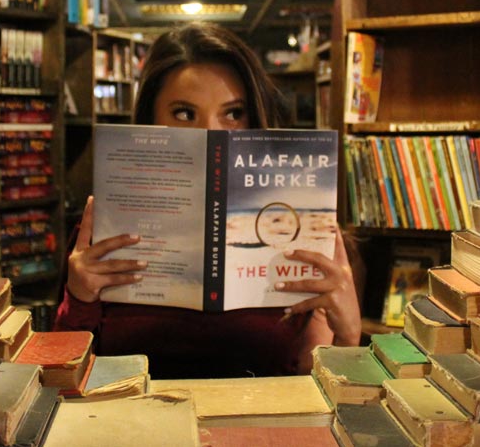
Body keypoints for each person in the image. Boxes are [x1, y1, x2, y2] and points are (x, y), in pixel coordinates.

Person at [54, 21, 361, 378]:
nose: (211, 134)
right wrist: (78, 298)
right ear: (151, 122)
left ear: (255, 119)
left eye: (233, 114)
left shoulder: (304, 227)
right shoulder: (100, 233)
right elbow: (64, 375)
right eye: (184, 114)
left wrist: (349, 334)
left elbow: (317, 382)